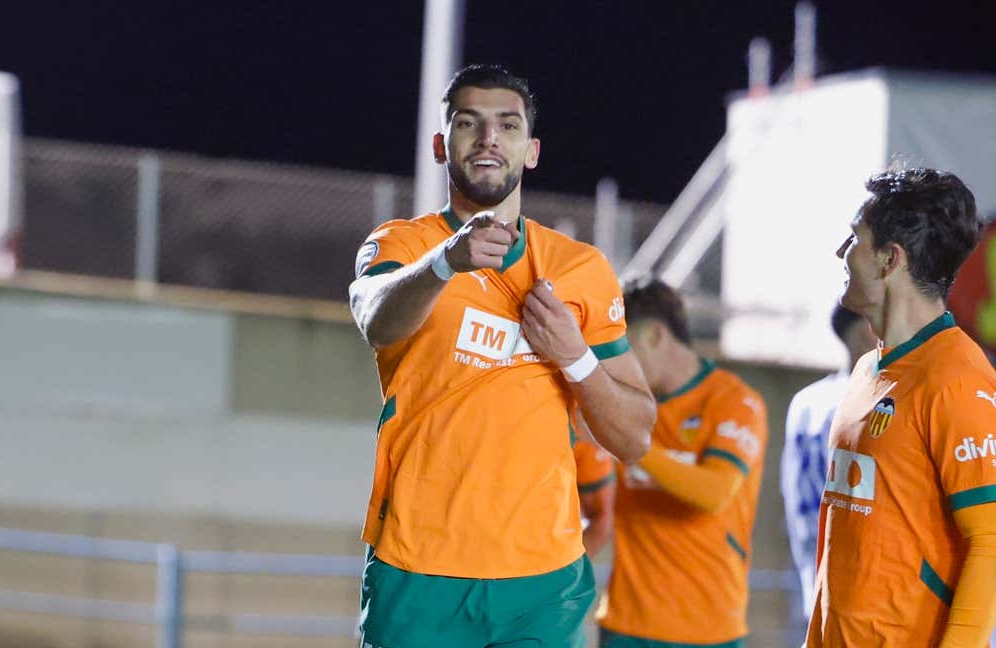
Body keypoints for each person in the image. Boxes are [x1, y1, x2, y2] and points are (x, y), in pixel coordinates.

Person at [347, 63, 656, 648]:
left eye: (508, 126)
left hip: (541, 583)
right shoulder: (402, 245)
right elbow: (374, 319)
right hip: (419, 567)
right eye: (470, 123)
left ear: (531, 150)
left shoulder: (580, 269)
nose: (490, 138)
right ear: (442, 145)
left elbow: (634, 436)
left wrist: (576, 358)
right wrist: (446, 263)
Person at [807, 167, 996, 646]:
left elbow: (989, 544)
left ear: (890, 259)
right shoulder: (867, 369)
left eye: (854, 240)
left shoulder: (958, 379)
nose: (841, 254)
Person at [575, 278, 768, 647]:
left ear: (654, 336)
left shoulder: (733, 401)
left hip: (707, 631)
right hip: (625, 625)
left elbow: (714, 491)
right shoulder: (625, 408)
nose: (612, 363)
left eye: (619, 347)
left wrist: (629, 442)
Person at [781, 304, 876, 623]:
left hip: (818, 579)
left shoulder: (806, 403)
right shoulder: (873, 401)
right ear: (867, 328)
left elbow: (793, 495)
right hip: (868, 596)